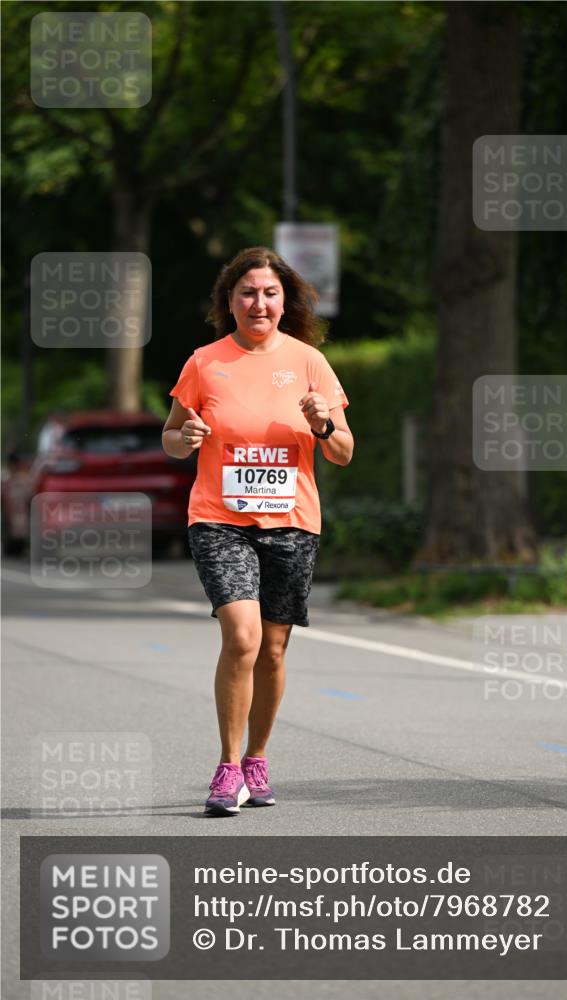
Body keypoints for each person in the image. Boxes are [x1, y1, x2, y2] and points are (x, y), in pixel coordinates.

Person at [162, 247, 353, 816]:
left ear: (285, 301)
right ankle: (226, 768)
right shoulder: (204, 362)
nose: (259, 302)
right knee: (241, 638)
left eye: (270, 293)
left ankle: (257, 758)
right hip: (220, 518)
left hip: (291, 522)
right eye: (247, 292)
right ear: (230, 301)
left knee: (272, 649)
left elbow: (342, 451)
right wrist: (186, 438)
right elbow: (171, 437)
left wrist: (322, 423)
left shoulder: (309, 363)